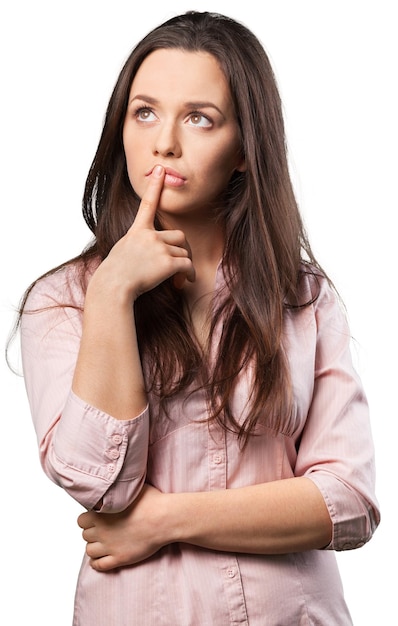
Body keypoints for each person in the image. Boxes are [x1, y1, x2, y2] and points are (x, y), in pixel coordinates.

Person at [16, 10, 380, 626]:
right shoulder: (65, 300)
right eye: (145, 112)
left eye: (200, 118)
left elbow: (347, 504)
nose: (165, 143)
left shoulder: (306, 300)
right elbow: (98, 486)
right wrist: (111, 297)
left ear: (243, 148)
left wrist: (164, 521)